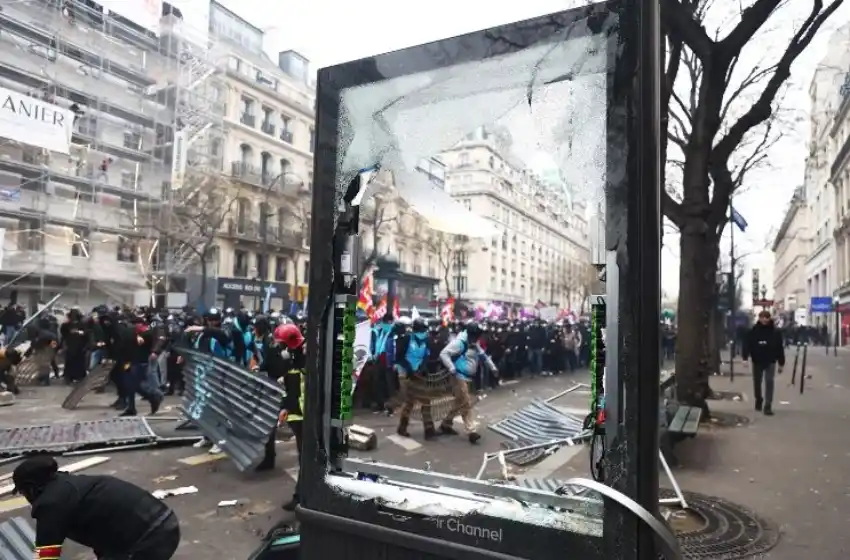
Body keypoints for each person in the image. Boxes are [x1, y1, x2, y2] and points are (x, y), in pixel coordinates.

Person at [13, 455, 180, 559]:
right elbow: (100, 528)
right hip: (163, 524)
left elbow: (47, 553)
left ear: (32, 487)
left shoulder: (51, 503)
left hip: (149, 537)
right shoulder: (69, 484)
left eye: (22, 492)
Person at [742, 310, 785, 416]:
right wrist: (745, 358)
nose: (765, 319)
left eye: (767, 317)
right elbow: (747, 344)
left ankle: (768, 405)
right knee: (757, 381)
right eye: (763, 317)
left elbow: (780, 348)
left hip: (770, 360)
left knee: (769, 381)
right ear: (759, 318)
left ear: (769, 318)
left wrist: (781, 363)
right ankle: (759, 399)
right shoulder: (753, 331)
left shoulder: (775, 332)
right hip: (757, 359)